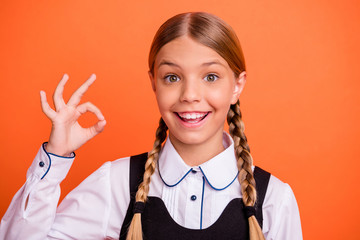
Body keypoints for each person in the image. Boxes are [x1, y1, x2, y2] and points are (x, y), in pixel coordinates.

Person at [0, 12, 302, 240]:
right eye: (172, 77)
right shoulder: (116, 184)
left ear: (238, 85)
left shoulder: (275, 199)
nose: (190, 95)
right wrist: (56, 156)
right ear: (153, 83)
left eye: (210, 76)